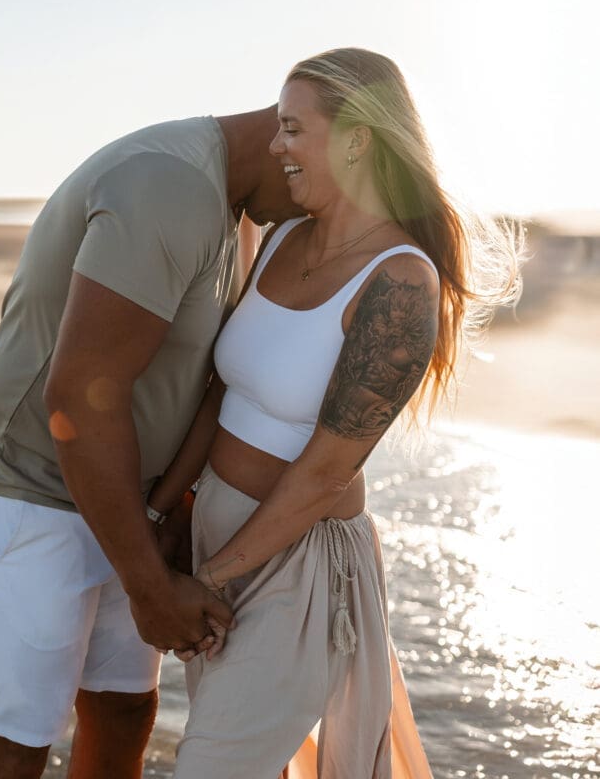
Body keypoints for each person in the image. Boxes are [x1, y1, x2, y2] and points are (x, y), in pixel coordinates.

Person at [144, 48, 522, 778]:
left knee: (210, 767)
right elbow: (220, 394)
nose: (276, 145)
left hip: (297, 565)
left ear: (357, 139)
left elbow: (323, 472)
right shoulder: (281, 236)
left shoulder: (401, 284)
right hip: (217, 530)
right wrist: (168, 513)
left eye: (292, 128)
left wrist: (211, 581)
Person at [0, 107, 299, 779]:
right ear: (293, 139)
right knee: (17, 747)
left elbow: (209, 380)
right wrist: (150, 588)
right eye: (314, 191)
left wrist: (167, 512)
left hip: (123, 500)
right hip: (30, 498)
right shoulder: (169, 184)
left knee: (123, 712)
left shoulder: (244, 205)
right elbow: (77, 399)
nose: (305, 213)